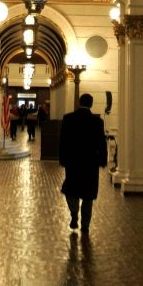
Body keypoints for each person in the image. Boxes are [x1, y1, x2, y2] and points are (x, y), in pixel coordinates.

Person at [59, 93, 108, 232]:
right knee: (88, 195)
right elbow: (101, 143)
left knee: (71, 189)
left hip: (73, 162)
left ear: (79, 103)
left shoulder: (68, 119)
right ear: (91, 104)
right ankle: (85, 226)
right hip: (90, 163)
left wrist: (62, 159)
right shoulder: (97, 121)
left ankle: (74, 213)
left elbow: (63, 141)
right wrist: (102, 160)